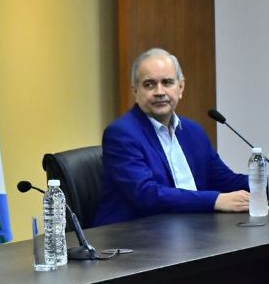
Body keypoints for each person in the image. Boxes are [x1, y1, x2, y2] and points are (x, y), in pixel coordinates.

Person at [93, 48, 249, 226]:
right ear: (135, 91)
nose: (160, 91)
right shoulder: (121, 134)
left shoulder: (193, 131)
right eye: (149, 84)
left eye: (167, 82)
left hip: (190, 229)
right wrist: (215, 200)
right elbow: (147, 195)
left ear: (180, 88)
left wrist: (262, 185)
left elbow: (225, 180)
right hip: (132, 235)